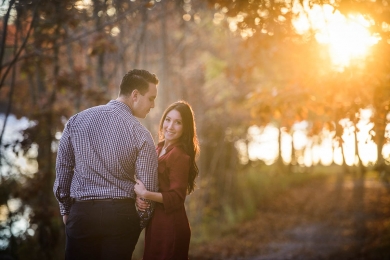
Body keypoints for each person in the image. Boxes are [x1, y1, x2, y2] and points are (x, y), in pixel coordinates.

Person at [53, 69, 159, 260]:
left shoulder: (76, 122)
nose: (153, 105)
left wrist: (67, 210)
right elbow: (148, 188)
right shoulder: (141, 135)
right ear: (135, 95)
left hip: (82, 214)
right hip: (121, 217)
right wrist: (137, 222)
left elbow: (63, 170)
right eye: (151, 98)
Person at [134, 100, 200, 260]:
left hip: (171, 226)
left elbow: (177, 198)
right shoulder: (158, 148)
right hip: (156, 223)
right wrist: (139, 197)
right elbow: (149, 182)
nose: (170, 126)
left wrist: (146, 194)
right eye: (168, 119)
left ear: (185, 128)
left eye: (178, 122)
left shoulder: (179, 155)